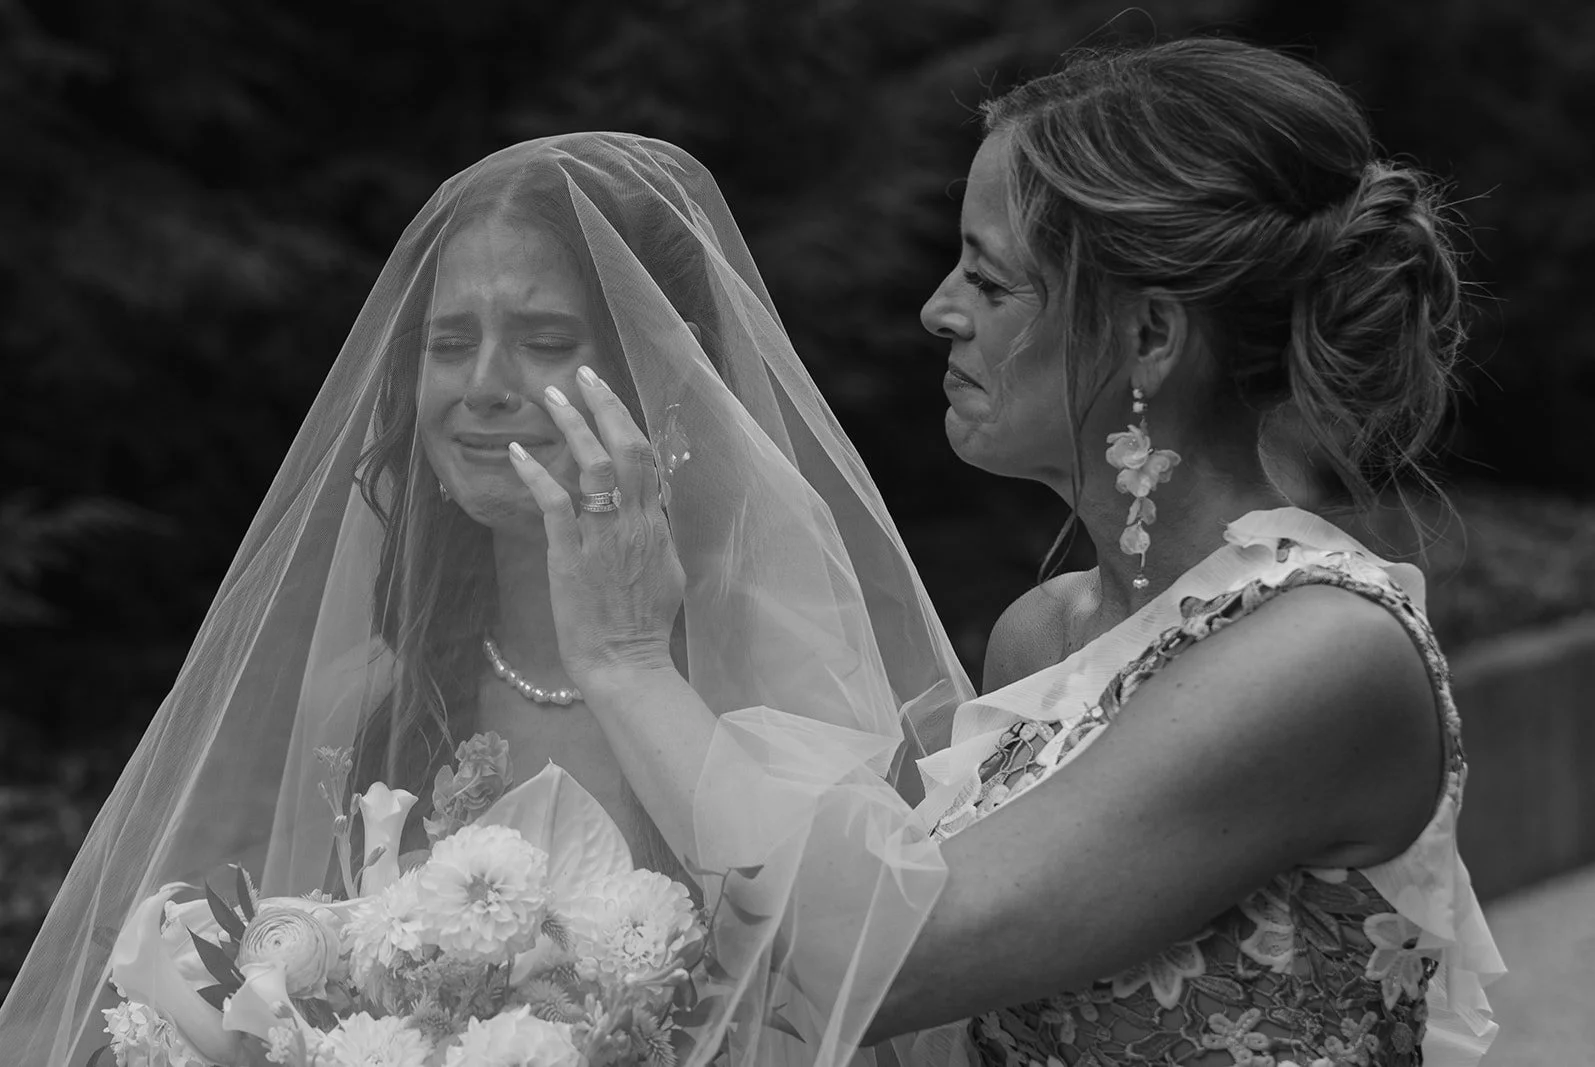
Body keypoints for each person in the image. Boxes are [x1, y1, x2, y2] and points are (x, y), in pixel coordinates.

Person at [507, 38, 1505, 1067]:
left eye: (987, 280)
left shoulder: (1321, 652)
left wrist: (627, 659)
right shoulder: (1046, 634)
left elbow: (881, 964)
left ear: (1149, 336)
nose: (938, 309)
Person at [0, 133, 970, 1066]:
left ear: (658, 376)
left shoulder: (773, 663)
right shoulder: (372, 691)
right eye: (448, 341)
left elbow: (869, 993)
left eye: (543, 339)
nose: (481, 386)